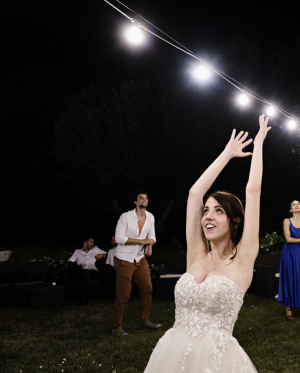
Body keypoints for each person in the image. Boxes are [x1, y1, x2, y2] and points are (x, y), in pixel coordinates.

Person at [143, 115, 271, 372]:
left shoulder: (244, 257)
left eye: (218, 211)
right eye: (206, 211)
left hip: (217, 363)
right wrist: (226, 154)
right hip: (172, 355)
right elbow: (194, 194)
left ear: (234, 221)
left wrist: (258, 146)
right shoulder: (196, 253)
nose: (208, 216)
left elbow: (253, 191)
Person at [112, 191, 159, 335]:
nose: (144, 200)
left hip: (140, 259)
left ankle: (145, 320)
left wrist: (149, 245)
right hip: (124, 259)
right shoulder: (125, 217)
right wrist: (142, 241)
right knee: (124, 294)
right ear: (135, 202)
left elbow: (152, 237)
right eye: (141, 198)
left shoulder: (150, 217)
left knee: (147, 289)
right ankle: (116, 326)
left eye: (146, 198)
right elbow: (119, 238)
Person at [279, 200, 300, 319]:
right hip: (289, 252)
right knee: (289, 277)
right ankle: (288, 307)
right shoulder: (286, 221)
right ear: (290, 210)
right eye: (293, 204)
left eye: (298, 203)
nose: (297, 205)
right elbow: (288, 239)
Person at [67, 237, 106, 306]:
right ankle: (83, 300)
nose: (93, 244)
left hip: (92, 272)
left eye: (93, 242)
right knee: (72, 266)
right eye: (91, 242)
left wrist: (102, 255)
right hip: (82, 271)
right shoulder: (77, 252)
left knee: (79, 276)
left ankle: (83, 300)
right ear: (85, 243)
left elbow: (108, 254)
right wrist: (77, 267)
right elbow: (70, 262)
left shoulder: (95, 249)